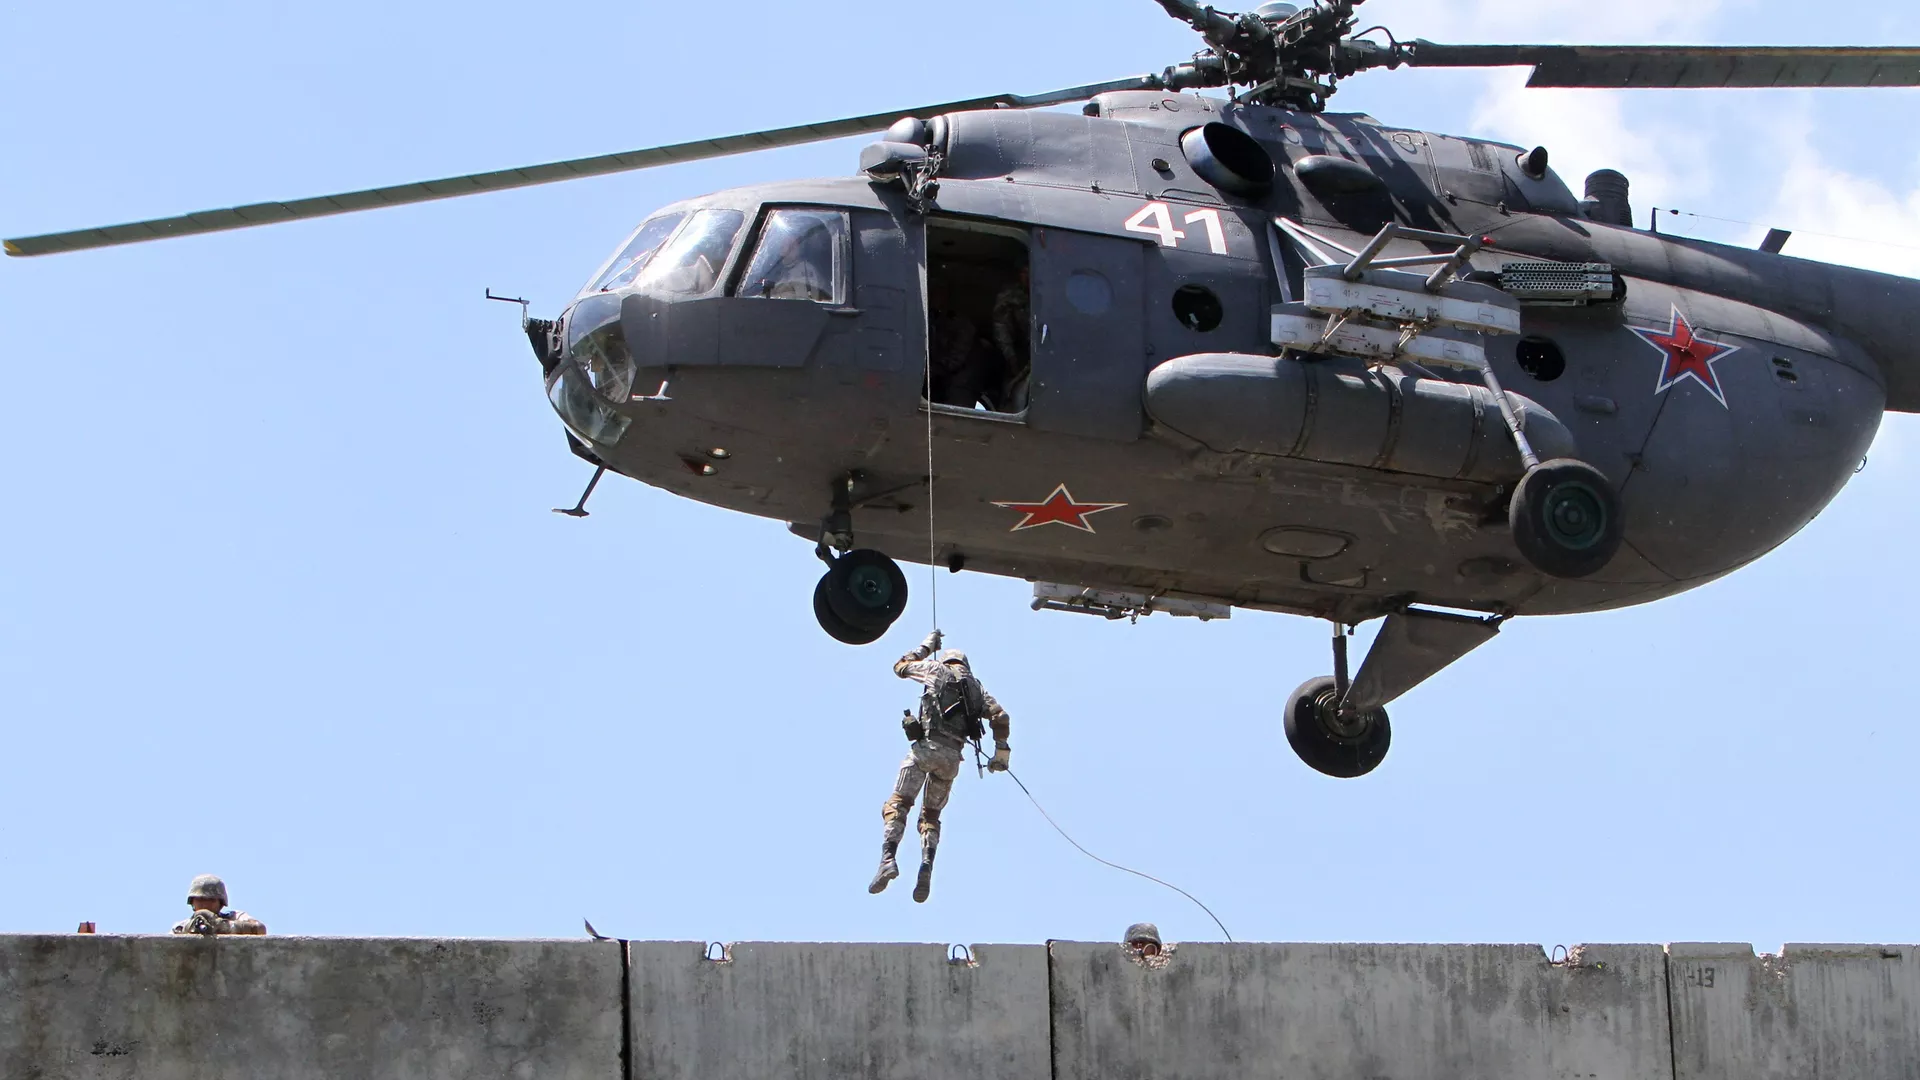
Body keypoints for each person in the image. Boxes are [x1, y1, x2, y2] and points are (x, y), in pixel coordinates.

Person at [870, 629, 1011, 903]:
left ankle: (888, 859)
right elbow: (1001, 717)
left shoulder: (935, 670)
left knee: (898, 804)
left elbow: (900, 666)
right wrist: (1001, 753)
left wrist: (926, 646)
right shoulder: (977, 689)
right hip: (951, 760)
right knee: (930, 817)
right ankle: (926, 866)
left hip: (925, 750)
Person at [170, 874, 266, 936]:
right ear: (192, 902)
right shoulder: (180, 927)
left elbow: (260, 929)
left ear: (221, 904)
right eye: (200, 899)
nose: (205, 904)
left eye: (211, 900)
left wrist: (221, 925)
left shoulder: (235, 917)